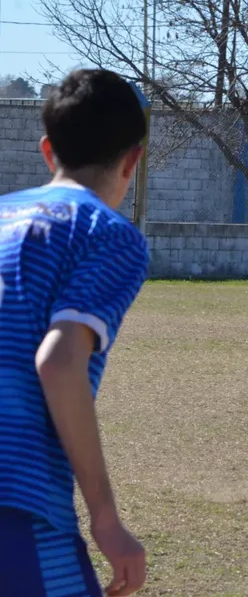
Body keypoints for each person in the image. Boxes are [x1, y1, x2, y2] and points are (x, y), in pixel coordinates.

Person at [0, 69, 151, 596]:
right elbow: (59, 362)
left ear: (48, 151)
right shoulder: (105, 234)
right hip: (19, 500)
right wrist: (105, 517)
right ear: (132, 161)